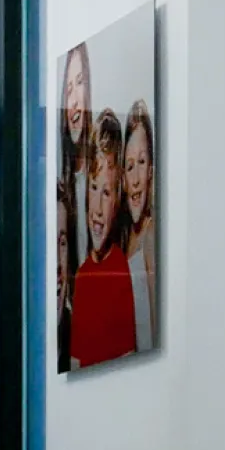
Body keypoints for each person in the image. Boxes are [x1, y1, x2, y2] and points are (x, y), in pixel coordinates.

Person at [67, 110, 138, 366]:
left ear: (118, 198)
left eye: (106, 193)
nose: (96, 208)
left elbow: (129, 362)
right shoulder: (84, 274)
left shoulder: (120, 270)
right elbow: (75, 363)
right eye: (94, 188)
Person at [55, 45, 93, 363]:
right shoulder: (61, 188)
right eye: (68, 89)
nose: (74, 99)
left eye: (80, 84)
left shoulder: (102, 180)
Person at [119, 103, 159, 356]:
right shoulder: (122, 238)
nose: (135, 179)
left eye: (142, 162)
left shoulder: (151, 236)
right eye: (129, 165)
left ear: (152, 172)